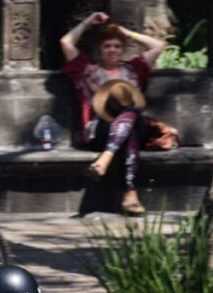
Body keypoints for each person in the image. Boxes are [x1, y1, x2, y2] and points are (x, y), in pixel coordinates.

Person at [61, 11, 167, 216]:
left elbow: (158, 45)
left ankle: (105, 158)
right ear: (99, 50)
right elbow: (66, 42)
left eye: (117, 46)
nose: (112, 50)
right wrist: (88, 21)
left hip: (133, 125)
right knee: (129, 133)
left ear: (123, 49)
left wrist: (127, 33)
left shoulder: (134, 69)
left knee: (130, 112)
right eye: (107, 46)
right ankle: (130, 193)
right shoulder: (87, 70)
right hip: (101, 128)